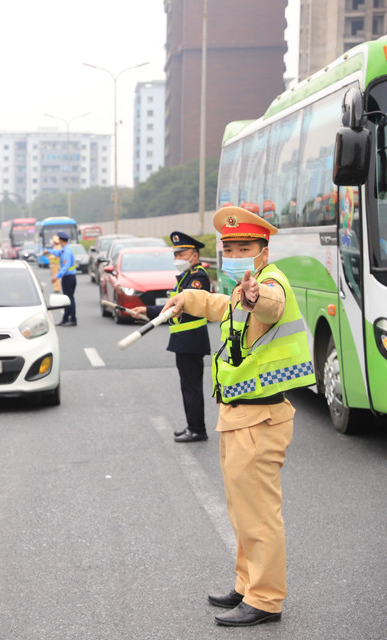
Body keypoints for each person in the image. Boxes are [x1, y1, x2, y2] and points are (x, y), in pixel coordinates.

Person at [160, 206, 315, 627]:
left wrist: (254, 296)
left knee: (259, 514)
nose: (234, 255)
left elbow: (268, 306)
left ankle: (265, 598)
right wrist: (188, 299)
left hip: (260, 418)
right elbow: (223, 307)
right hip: (238, 416)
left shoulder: (268, 284)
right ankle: (247, 584)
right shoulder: (240, 287)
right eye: (229, 248)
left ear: (264, 250)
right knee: (242, 511)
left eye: (244, 248)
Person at [131, 231, 211, 443]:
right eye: (175, 255)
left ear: (195, 255)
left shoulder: (198, 278)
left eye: (181, 254)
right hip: (184, 340)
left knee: (191, 388)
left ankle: (197, 429)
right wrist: (146, 310)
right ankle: (192, 425)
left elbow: (180, 307)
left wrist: (149, 311)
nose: (177, 258)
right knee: (188, 386)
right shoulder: (186, 277)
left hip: (191, 341)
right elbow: (171, 306)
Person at [43, 231, 76, 326]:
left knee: (69, 299)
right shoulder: (65, 249)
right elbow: (57, 252)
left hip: (69, 278)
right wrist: (48, 251)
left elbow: (65, 267)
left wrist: (56, 277)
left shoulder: (67, 251)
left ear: (61, 240)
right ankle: (65, 319)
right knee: (67, 299)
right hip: (68, 277)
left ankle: (72, 319)